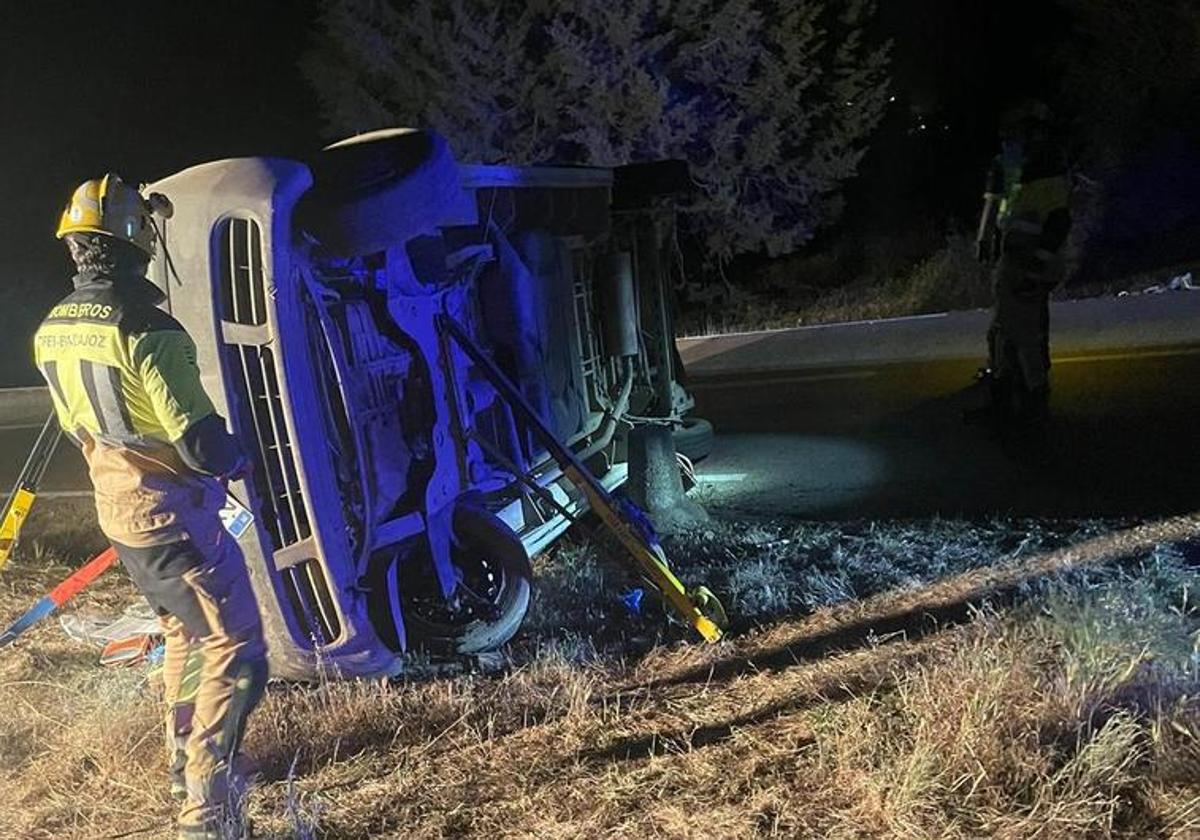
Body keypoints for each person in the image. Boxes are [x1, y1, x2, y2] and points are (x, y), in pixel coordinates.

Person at [34, 174, 267, 839]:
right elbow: (198, 441)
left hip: (119, 513)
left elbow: (87, 427)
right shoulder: (149, 329)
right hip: (171, 516)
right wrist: (243, 457)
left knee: (183, 634)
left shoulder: (51, 330)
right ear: (136, 240)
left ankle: (179, 761)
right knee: (238, 647)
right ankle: (206, 809)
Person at [969, 103, 1071, 447]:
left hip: (1028, 263)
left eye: (1017, 133)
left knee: (1025, 338)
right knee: (1001, 333)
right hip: (1012, 260)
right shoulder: (1012, 166)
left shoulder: (1046, 169)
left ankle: (1033, 409)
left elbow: (1058, 222)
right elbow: (997, 205)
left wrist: (1038, 266)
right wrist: (986, 240)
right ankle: (1003, 404)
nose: (1010, 139)